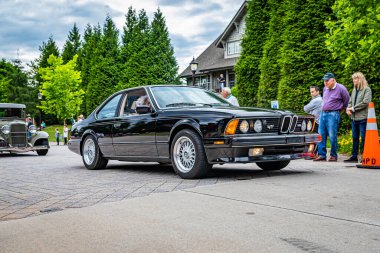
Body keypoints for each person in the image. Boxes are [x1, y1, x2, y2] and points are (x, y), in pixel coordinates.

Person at [314, 72, 350, 162]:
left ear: (333, 80)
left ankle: (333, 155)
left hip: (333, 114)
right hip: (323, 114)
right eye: (324, 81)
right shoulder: (325, 88)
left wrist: (338, 112)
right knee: (321, 135)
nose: (325, 83)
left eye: (327, 81)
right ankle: (322, 155)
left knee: (332, 135)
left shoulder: (341, 88)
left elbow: (347, 101)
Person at [344, 72, 372, 163]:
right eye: (353, 79)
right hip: (354, 118)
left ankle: (364, 156)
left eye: (355, 79)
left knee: (364, 138)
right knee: (354, 137)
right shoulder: (354, 90)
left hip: (363, 118)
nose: (353, 80)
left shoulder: (367, 89)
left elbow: (365, 102)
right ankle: (354, 156)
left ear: (360, 79)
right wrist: (348, 108)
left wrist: (352, 108)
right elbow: (350, 101)